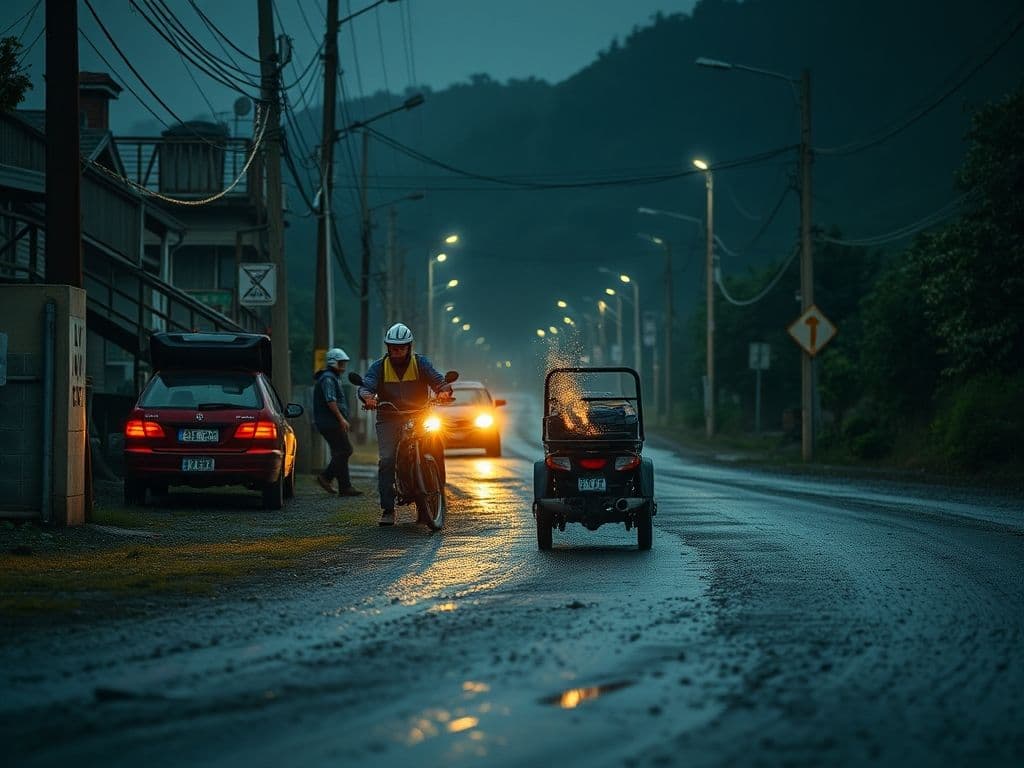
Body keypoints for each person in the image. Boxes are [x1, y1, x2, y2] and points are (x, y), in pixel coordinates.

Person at [356, 323, 453, 526]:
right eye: (392, 347)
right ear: (387, 347)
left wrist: (443, 391)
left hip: (419, 415)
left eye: (401, 347)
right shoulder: (379, 367)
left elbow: (438, 380)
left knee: (435, 445)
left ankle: (437, 493)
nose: (397, 351)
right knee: (387, 459)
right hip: (389, 417)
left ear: (409, 347)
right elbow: (366, 386)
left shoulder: (421, 363)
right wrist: (368, 398)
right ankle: (388, 509)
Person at [313, 347, 363, 497]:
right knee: (345, 450)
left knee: (339, 452)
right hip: (330, 422)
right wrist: (341, 419)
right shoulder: (328, 378)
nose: (344, 366)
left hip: (330, 421)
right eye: (341, 363)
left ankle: (345, 487)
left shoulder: (332, 377)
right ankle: (326, 476)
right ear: (333, 362)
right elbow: (331, 401)